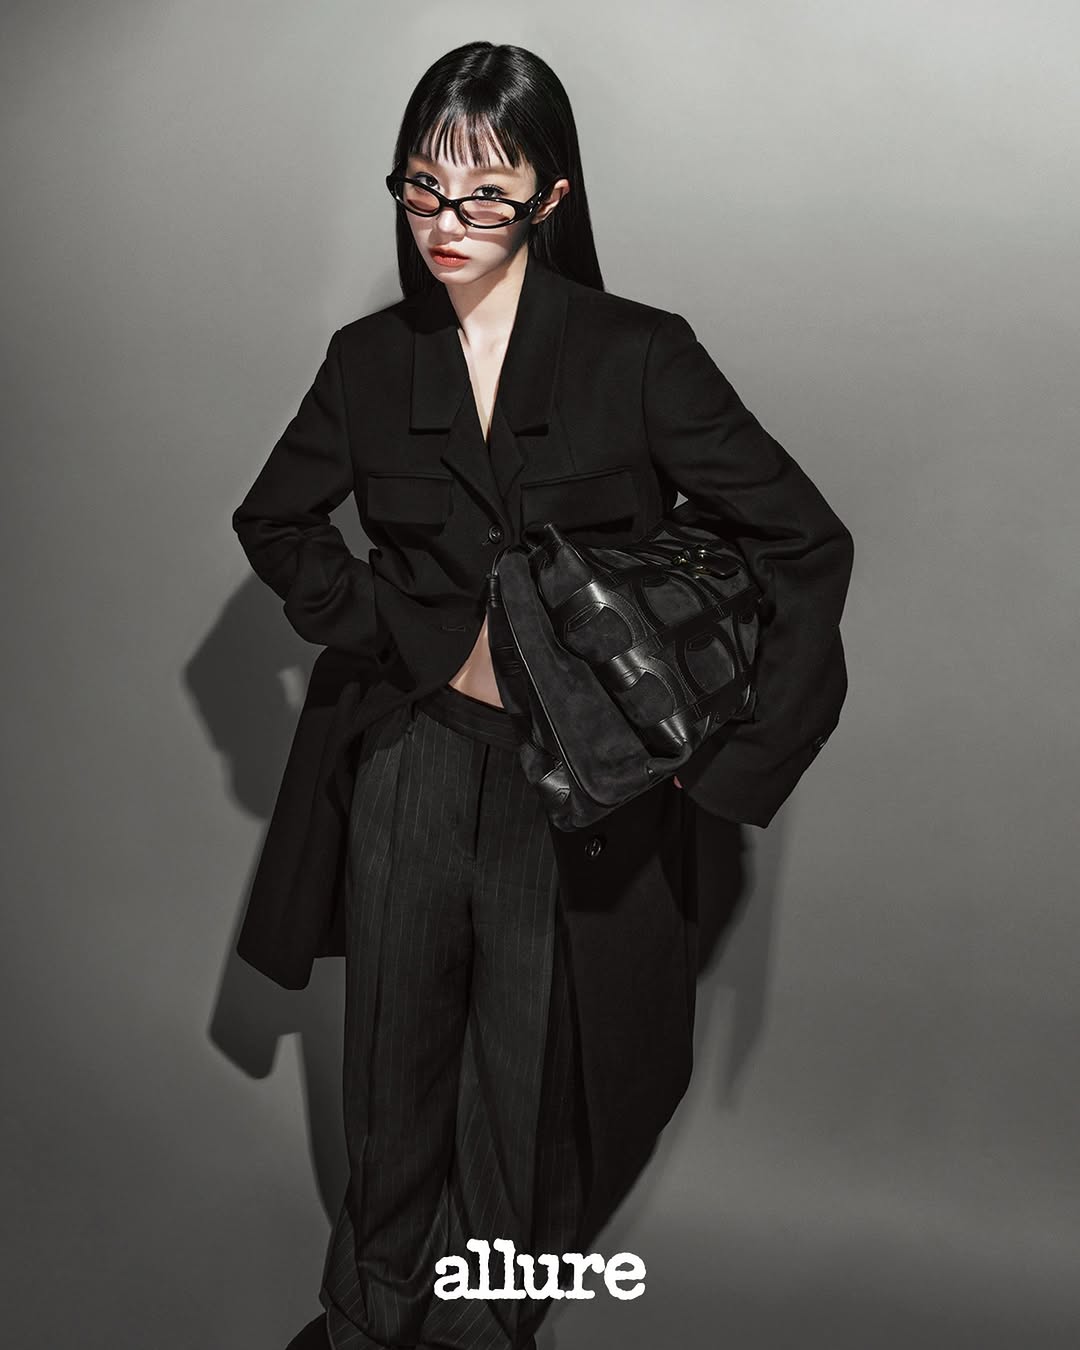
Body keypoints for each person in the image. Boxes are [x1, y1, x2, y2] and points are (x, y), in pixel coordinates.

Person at [232, 40, 854, 1350]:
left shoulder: (642, 355)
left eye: (485, 193)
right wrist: (399, 633)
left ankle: (482, 1330)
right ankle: (365, 1318)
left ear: (552, 197)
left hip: (573, 797)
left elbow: (802, 540)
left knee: (523, 1092)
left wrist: (732, 768)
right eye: (420, 187)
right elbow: (274, 519)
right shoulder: (366, 360)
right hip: (409, 760)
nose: (445, 222)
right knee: (389, 1072)